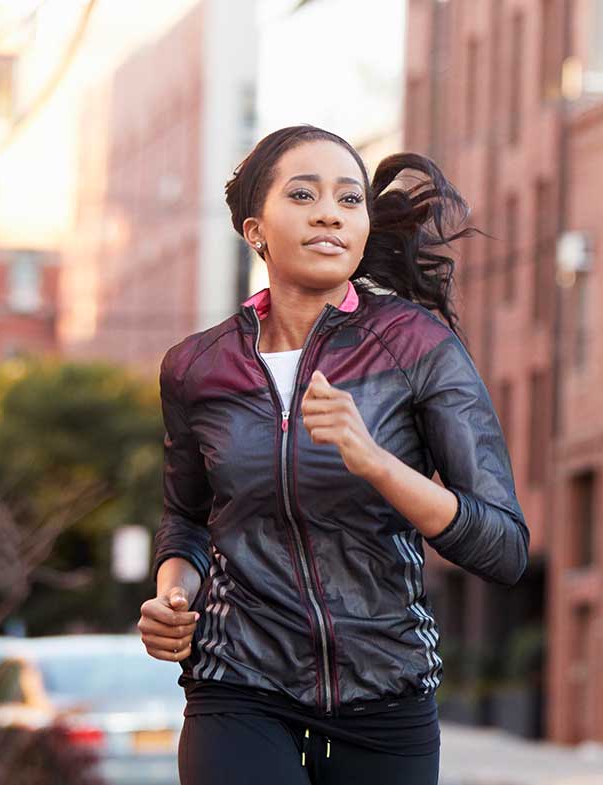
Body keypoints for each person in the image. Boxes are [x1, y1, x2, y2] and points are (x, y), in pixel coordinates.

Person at [135, 125, 528, 785]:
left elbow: (504, 546)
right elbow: (188, 520)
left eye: (350, 200)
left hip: (385, 690)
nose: (329, 212)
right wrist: (173, 596)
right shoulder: (196, 367)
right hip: (239, 679)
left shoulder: (416, 346)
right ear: (255, 229)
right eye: (304, 194)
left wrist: (374, 459)